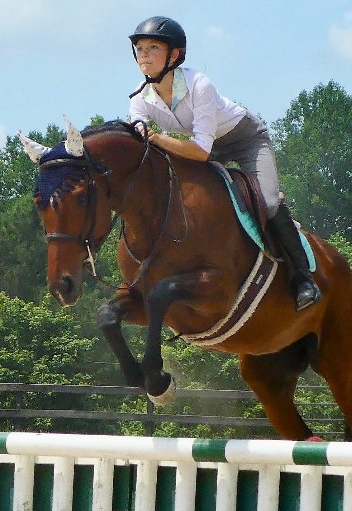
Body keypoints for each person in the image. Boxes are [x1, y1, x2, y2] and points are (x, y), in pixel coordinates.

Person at [128, 16, 321, 311]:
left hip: (245, 140)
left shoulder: (199, 84)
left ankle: (303, 279)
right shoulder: (140, 98)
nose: (144, 54)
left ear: (174, 55)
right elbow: (140, 136)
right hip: (202, 145)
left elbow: (200, 151)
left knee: (268, 203)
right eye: (140, 47)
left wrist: (156, 139)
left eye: (153, 47)